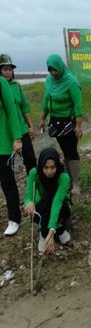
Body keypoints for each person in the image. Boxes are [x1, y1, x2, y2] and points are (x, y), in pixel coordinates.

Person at [39, 54, 83, 195]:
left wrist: (78, 125)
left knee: (72, 151)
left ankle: (76, 182)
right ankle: (68, 180)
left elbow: (77, 105)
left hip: (69, 122)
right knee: (65, 151)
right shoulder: (49, 81)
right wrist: (42, 118)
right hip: (56, 122)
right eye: (50, 70)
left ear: (60, 67)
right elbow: (46, 100)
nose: (53, 73)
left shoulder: (70, 82)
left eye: (55, 70)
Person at [23, 148, 72, 254]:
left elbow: (57, 203)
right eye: (45, 167)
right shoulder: (34, 173)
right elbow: (28, 196)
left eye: (52, 167)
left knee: (55, 203)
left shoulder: (64, 177)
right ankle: (43, 233)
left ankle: (59, 230)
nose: (49, 172)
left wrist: (52, 232)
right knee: (44, 204)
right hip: (42, 205)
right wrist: (28, 203)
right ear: (41, 165)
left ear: (57, 166)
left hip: (59, 205)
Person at [0, 54, 36, 174]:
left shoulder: (17, 86)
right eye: (5, 69)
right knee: (7, 166)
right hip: (5, 133)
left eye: (10, 69)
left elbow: (25, 107)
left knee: (30, 160)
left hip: (22, 130)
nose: (8, 72)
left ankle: (35, 188)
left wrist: (30, 126)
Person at [0, 76, 23, 236]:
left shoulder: (1, 82)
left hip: (3, 143)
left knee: (7, 181)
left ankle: (14, 219)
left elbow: (11, 110)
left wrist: (17, 137)